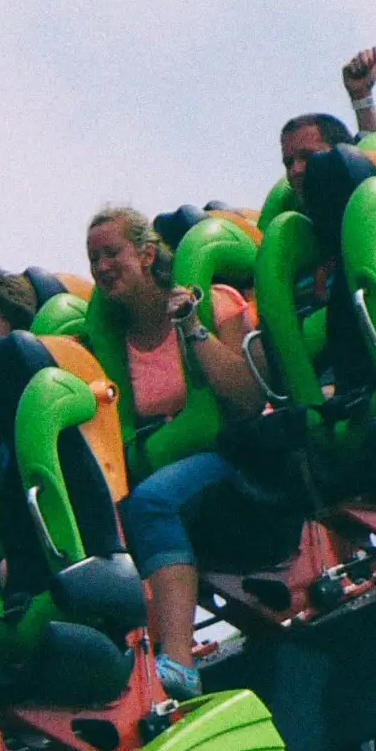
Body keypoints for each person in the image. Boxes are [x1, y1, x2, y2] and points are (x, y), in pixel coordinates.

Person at [83, 202, 270, 672]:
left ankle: (178, 663)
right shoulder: (112, 335)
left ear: (147, 255)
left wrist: (192, 326)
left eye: (112, 253)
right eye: (94, 259)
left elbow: (247, 400)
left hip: (234, 455)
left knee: (151, 502)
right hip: (170, 467)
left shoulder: (216, 300)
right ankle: (126, 668)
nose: (103, 268)